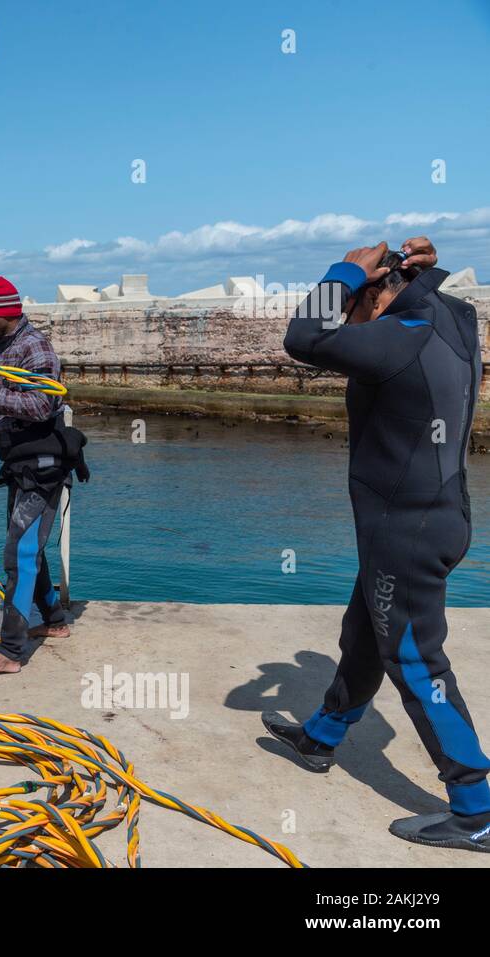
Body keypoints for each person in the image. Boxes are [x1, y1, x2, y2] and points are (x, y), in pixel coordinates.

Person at [269, 236, 490, 852]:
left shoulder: (404, 335)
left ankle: (477, 808)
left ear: (372, 295)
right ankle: (322, 736)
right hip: (435, 517)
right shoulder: (452, 323)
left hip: (407, 531)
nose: (348, 324)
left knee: (417, 662)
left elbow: (304, 340)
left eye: (350, 306)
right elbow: (450, 302)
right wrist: (418, 269)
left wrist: (342, 271)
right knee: (364, 633)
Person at [0, 276, 85, 675]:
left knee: (18, 553)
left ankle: (10, 652)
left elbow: (42, 405)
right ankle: (55, 621)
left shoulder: (34, 348)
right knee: (29, 547)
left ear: (1, 315)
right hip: (19, 463)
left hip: (44, 465)